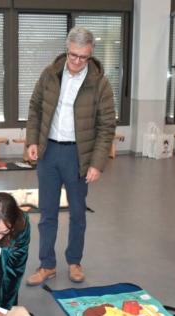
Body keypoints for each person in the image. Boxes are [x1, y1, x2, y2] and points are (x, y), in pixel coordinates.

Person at [25, 26, 116, 286]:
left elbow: (107, 125)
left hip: (79, 156)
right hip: (49, 153)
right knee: (47, 213)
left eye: (83, 57)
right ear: (67, 50)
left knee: (77, 213)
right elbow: (35, 108)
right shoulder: (50, 74)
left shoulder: (100, 84)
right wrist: (32, 140)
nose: (77, 62)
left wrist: (97, 163)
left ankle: (74, 262)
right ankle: (47, 265)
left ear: (91, 54)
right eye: (73, 55)